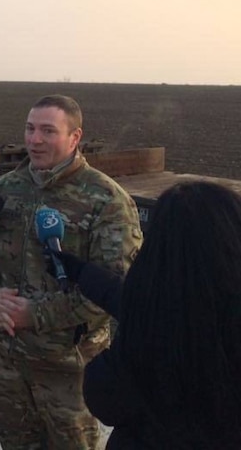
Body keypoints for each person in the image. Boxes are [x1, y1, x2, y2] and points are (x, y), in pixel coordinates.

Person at [0, 94, 143, 449]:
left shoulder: (106, 200)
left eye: (48, 131)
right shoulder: (5, 188)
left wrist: (37, 315)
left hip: (68, 370)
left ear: (74, 137)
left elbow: (115, 290)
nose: (34, 140)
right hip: (8, 361)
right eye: (30, 129)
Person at [77, 181, 241, 449]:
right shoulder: (220, 314)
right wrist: (82, 273)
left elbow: (105, 397)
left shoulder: (153, 341)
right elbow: (128, 299)